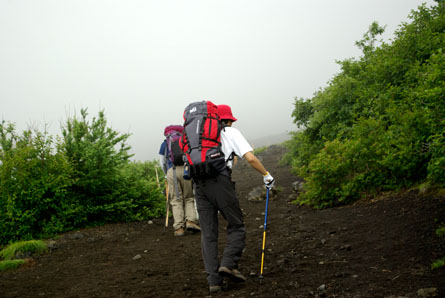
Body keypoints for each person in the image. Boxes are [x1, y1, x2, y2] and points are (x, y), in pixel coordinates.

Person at [193, 104, 275, 293]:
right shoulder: (230, 132)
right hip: (221, 182)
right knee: (236, 225)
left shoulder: (197, 139)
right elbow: (251, 159)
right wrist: (266, 175)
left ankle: (213, 282)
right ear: (227, 120)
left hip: (199, 185)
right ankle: (228, 264)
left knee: (208, 233)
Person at [159, 126, 201, 237]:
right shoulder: (185, 140)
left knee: (176, 200)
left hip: (171, 171)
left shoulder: (165, 143)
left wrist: (166, 173)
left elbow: (162, 162)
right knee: (189, 197)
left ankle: (179, 228)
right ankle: (190, 221)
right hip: (186, 170)